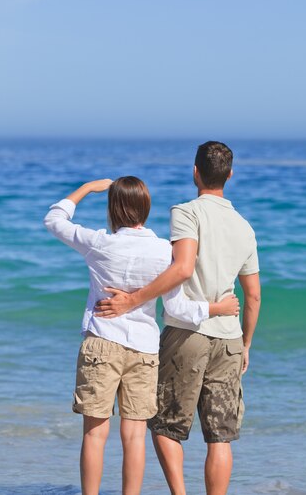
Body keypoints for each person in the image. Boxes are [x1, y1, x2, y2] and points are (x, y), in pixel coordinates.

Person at [44, 176, 239, 495]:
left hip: (102, 343)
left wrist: (85, 189)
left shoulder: (99, 243)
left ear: (113, 209)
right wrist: (215, 308)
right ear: (146, 209)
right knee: (134, 436)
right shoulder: (165, 251)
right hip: (145, 350)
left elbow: (53, 219)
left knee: (94, 435)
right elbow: (177, 308)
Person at [95, 142, 261, 495]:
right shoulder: (245, 227)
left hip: (187, 334)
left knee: (165, 425)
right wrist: (246, 344)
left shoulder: (186, 212)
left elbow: (183, 268)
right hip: (229, 338)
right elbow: (254, 295)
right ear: (230, 175)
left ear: (195, 172)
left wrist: (135, 300)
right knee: (220, 436)